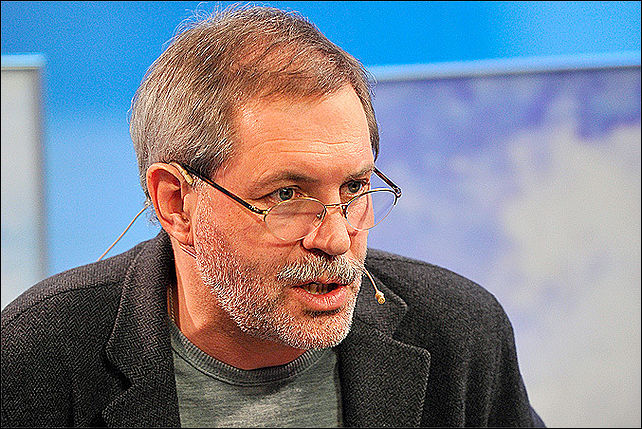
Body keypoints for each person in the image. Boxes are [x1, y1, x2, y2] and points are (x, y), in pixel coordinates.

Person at [1, 5, 545, 428]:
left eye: (355, 188)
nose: (337, 239)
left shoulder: (459, 333)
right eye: (288, 194)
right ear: (176, 202)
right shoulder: (39, 358)